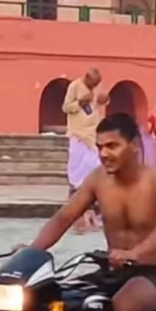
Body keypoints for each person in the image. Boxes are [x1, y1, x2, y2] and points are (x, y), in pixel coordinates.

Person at [14, 113, 156, 311]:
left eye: (112, 146)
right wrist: (32, 251)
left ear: (134, 145)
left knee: (125, 305)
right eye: (100, 147)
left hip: (152, 276)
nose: (103, 153)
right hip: (111, 272)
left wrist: (135, 253)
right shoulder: (98, 179)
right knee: (54, 298)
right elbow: (65, 217)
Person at [62, 68, 109, 232]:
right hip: (78, 133)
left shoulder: (96, 88)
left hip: (93, 132)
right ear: (86, 78)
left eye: (96, 84)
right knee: (77, 168)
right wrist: (80, 103)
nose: (93, 86)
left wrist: (104, 99)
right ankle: (77, 204)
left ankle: (93, 206)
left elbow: (100, 103)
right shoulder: (75, 86)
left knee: (96, 166)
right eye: (91, 83)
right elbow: (65, 107)